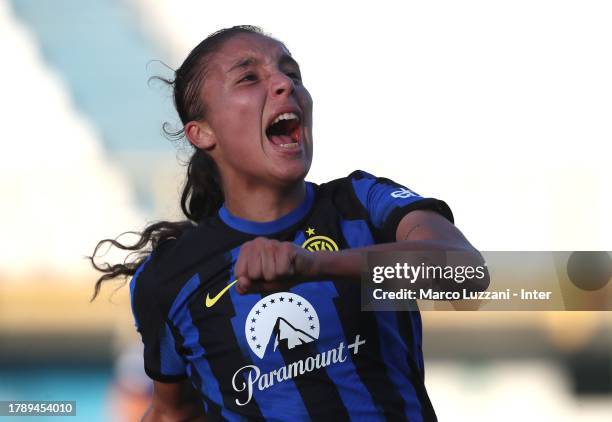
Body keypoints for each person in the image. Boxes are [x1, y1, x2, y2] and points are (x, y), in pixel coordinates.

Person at [91, 25, 486, 422]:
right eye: (249, 77)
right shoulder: (168, 277)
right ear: (202, 132)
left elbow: (465, 273)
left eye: (292, 74)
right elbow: (171, 414)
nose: (284, 83)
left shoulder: (362, 202)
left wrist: (313, 266)